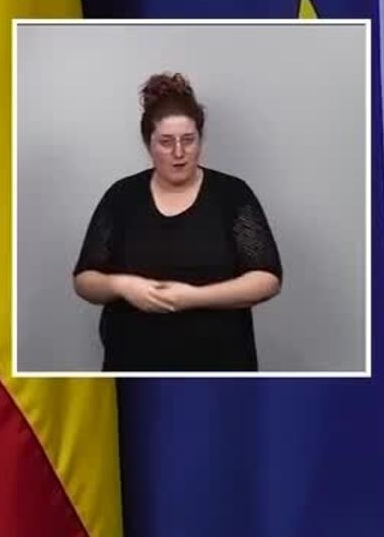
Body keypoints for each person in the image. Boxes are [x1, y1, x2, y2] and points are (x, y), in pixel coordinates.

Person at [71, 72, 283, 371]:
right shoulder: (122, 196)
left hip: (219, 365)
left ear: (200, 140)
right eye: (166, 142)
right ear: (148, 144)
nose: (179, 153)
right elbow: (84, 280)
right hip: (133, 364)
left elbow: (267, 279)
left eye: (188, 140)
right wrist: (121, 285)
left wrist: (194, 297)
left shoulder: (232, 194)